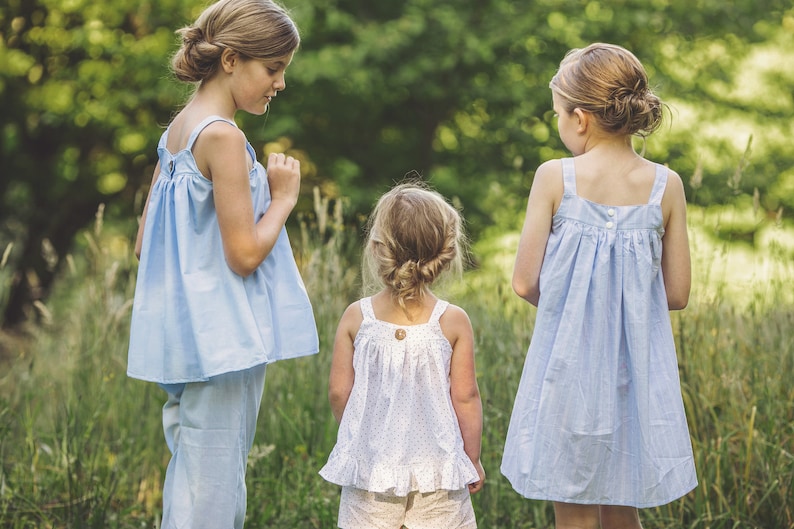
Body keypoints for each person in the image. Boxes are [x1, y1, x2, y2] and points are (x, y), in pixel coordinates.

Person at [126, 1, 319, 527]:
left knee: (191, 474)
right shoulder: (225, 137)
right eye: (273, 68)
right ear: (231, 59)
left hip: (184, 336)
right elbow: (244, 255)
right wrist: (282, 197)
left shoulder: (177, 133)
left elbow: (145, 243)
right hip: (224, 339)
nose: (279, 83)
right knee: (214, 488)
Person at [500, 43, 697, 529]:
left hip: (568, 370)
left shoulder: (555, 178)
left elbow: (525, 282)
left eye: (557, 116)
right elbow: (677, 294)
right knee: (621, 505)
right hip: (637, 374)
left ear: (581, 118)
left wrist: (575, 306)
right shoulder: (665, 185)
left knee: (575, 507)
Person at [319, 182, 486, 529]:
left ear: (379, 248)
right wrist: (471, 458)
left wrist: (360, 435)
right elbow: (466, 397)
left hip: (371, 471)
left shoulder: (356, 317)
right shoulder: (452, 321)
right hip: (438, 471)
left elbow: (339, 392)